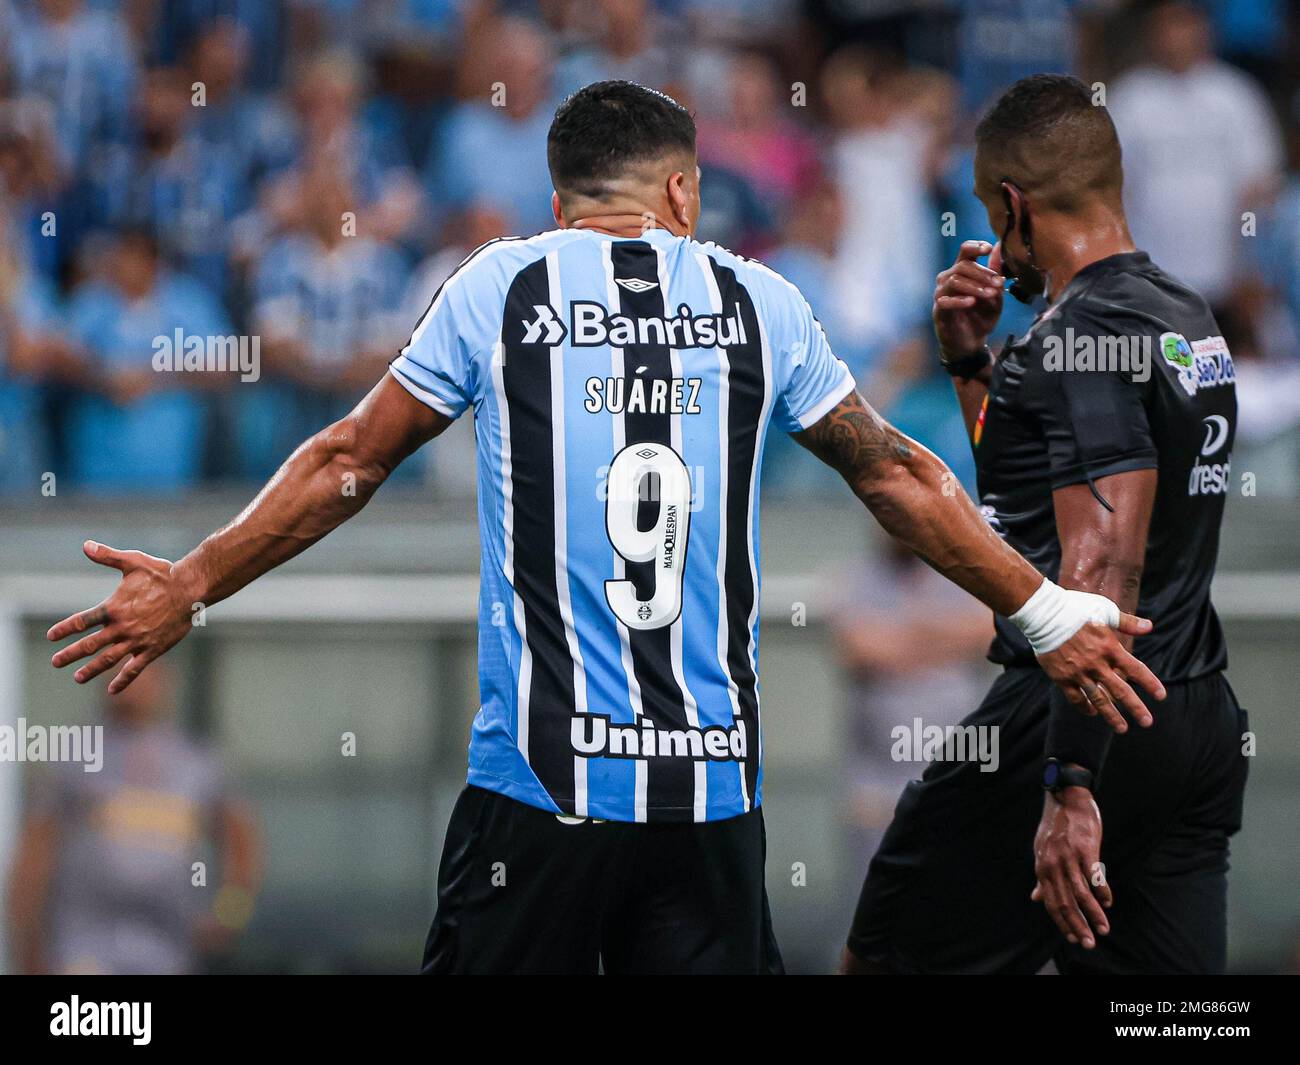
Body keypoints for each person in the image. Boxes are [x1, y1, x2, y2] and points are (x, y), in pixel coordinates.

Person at [46, 80, 1160, 976]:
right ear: (682, 191)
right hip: (709, 797)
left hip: (540, 791)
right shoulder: (757, 301)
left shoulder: (500, 286)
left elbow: (347, 460)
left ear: (559, 203)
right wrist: (1047, 608)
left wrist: (192, 580)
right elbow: (897, 476)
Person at [844, 74, 1248, 975]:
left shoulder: (1077, 334)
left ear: (1016, 204)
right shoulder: (1186, 316)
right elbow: (1028, 499)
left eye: (991, 209)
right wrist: (971, 362)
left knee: (888, 959)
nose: (993, 239)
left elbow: (1102, 556)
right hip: (1195, 714)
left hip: (1079, 713)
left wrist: (1071, 781)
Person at [6, 662, 260, 975]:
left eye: (142, 672)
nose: (132, 684)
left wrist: (228, 915)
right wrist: (27, 942)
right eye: (119, 670)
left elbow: (241, 842)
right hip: (83, 947)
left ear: (166, 682)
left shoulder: (195, 762)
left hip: (171, 949)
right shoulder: (73, 757)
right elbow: (34, 855)